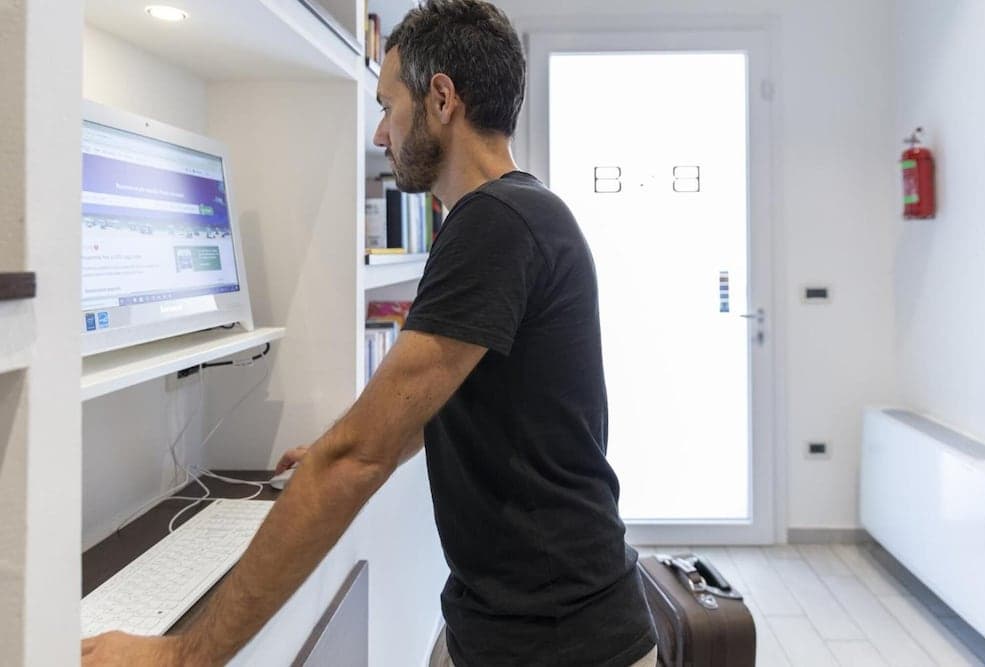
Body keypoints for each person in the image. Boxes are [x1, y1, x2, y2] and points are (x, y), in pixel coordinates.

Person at [81, 1, 656, 665]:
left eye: (387, 106)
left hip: (560, 641)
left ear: (441, 98)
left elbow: (359, 459)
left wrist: (183, 655)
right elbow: (433, 406)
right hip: (516, 623)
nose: (381, 133)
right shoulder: (517, 213)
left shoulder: (495, 222)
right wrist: (337, 446)